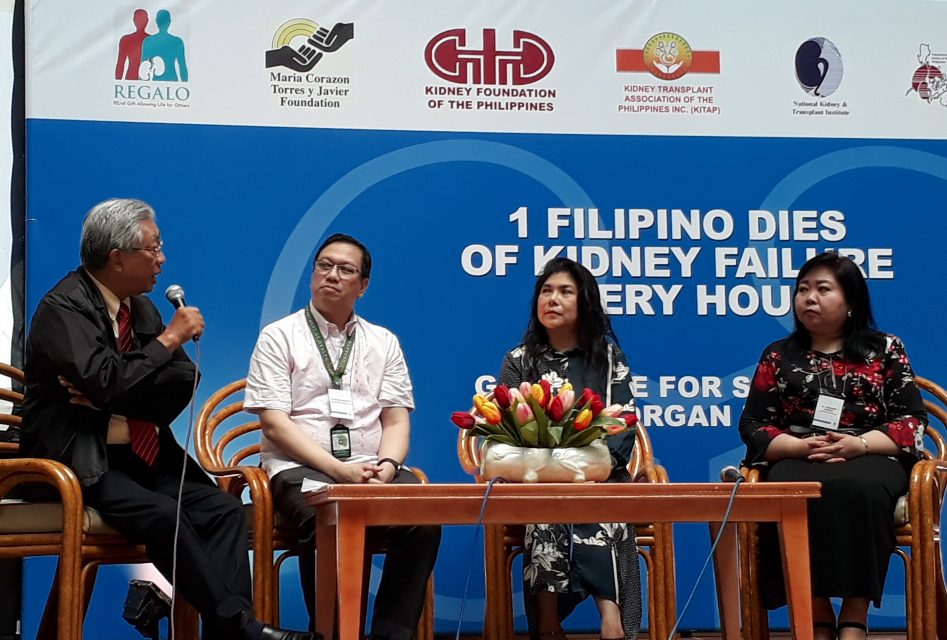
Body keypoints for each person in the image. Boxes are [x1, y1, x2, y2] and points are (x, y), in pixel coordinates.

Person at [19, 198, 314, 640]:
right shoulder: (62, 308)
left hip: (143, 456)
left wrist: (114, 398)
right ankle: (240, 628)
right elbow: (109, 381)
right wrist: (168, 340)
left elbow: (179, 382)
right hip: (79, 459)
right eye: (153, 248)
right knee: (163, 514)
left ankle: (230, 632)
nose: (162, 259)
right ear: (118, 258)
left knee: (223, 510)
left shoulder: (138, 308)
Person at [244, 233, 441, 640]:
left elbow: (396, 420)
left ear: (362, 286)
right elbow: (274, 423)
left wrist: (388, 466)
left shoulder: (383, 342)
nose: (331, 275)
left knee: (422, 517)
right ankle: (332, 634)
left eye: (345, 269)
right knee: (331, 514)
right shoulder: (279, 336)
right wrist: (337, 470)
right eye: (324, 265)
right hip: (301, 468)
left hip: (370, 468)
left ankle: (390, 636)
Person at [738, 252, 928, 640]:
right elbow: (753, 425)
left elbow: (911, 421)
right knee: (791, 493)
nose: (809, 298)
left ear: (851, 300)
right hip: (798, 453)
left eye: (823, 289)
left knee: (861, 488)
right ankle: (818, 613)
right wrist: (798, 447)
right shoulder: (778, 355)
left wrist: (859, 444)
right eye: (803, 289)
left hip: (870, 451)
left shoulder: (885, 348)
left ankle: (855, 615)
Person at [498, 257, 640, 640]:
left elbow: (623, 423)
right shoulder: (518, 361)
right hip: (538, 480)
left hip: (599, 476)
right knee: (545, 509)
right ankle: (548, 625)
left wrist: (593, 470)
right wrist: (547, 471)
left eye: (565, 291)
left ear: (584, 302)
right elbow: (507, 429)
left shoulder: (608, 358)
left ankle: (611, 620)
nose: (553, 299)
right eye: (546, 291)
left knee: (598, 501)